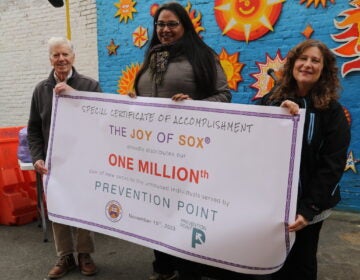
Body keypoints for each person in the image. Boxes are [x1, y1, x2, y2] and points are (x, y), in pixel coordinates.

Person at [129, 2, 231, 280]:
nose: (165, 30)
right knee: (157, 210)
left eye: (172, 24)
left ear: (185, 25)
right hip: (154, 152)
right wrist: (134, 102)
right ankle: (162, 266)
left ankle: (189, 271)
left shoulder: (202, 56)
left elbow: (224, 95)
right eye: (160, 25)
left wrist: (194, 104)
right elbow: (148, 96)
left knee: (185, 215)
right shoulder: (152, 57)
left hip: (190, 153)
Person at [260, 39, 351, 280]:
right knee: (272, 262)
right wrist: (278, 111)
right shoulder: (271, 100)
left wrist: (308, 209)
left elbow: (332, 165)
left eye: (315, 60)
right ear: (292, 64)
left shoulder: (332, 112)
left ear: (323, 70)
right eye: (303, 58)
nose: (307, 64)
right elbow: (252, 136)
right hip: (276, 203)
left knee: (301, 263)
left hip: (311, 206)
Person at [27, 36, 102, 279]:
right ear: (50, 59)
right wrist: (37, 157)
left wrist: (74, 94)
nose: (61, 59)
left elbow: (100, 121)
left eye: (65, 54)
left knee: (82, 208)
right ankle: (65, 256)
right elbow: (34, 129)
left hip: (82, 161)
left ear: (73, 57)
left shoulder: (90, 85)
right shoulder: (41, 90)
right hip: (53, 164)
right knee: (58, 209)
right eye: (56, 55)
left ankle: (84, 254)